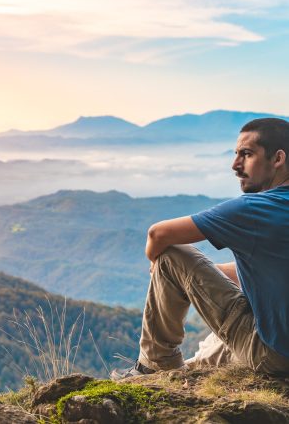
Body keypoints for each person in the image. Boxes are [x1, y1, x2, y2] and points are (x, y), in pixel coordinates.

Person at [112, 117, 289, 379]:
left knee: (172, 255)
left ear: (278, 159)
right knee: (206, 355)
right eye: (235, 154)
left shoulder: (254, 209)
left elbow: (158, 234)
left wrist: (159, 265)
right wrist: (199, 275)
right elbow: (272, 271)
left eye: (246, 154)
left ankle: (154, 366)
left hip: (274, 356)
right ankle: (182, 376)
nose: (235, 165)